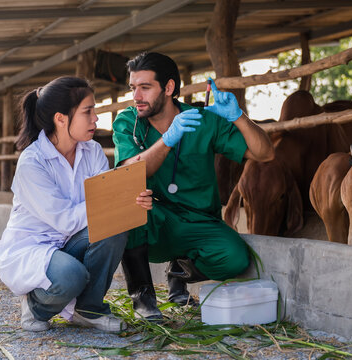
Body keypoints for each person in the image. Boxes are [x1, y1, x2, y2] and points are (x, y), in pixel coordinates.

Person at [112, 52, 274, 320]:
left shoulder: (203, 120)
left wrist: (238, 117)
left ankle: (179, 271)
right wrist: (168, 139)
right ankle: (144, 300)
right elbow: (130, 172)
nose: (136, 96)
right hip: (154, 218)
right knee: (127, 208)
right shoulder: (129, 122)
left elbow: (265, 154)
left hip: (199, 220)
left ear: (169, 88)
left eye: (145, 87)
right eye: (133, 88)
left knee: (236, 259)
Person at [0, 76, 153, 332]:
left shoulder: (93, 151)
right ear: (61, 118)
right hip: (36, 246)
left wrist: (131, 200)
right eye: (87, 112)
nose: (96, 119)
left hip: (72, 240)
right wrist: (112, 200)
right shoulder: (33, 162)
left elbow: (107, 202)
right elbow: (65, 220)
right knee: (71, 275)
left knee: (115, 225)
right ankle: (35, 306)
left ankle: (89, 310)